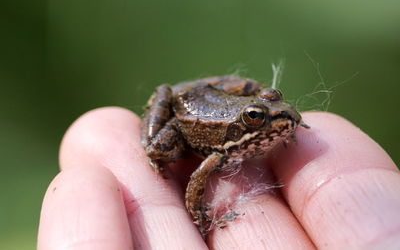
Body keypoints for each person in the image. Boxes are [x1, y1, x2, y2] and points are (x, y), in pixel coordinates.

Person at [37, 107, 400, 249]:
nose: (275, 117)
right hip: (186, 120)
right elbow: (196, 180)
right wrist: (198, 215)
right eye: (258, 118)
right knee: (159, 148)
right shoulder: (218, 151)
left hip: (213, 102)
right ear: (245, 125)